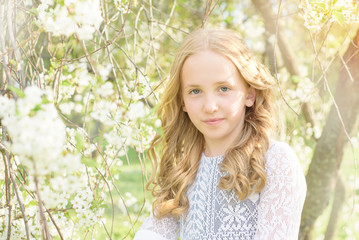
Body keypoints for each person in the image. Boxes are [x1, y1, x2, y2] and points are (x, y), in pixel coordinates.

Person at [134, 28, 307, 240]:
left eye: (223, 88)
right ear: (182, 101)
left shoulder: (275, 161)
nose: (210, 106)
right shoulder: (185, 169)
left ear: (250, 94)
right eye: (195, 91)